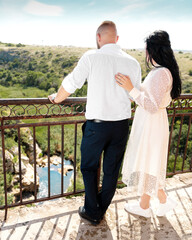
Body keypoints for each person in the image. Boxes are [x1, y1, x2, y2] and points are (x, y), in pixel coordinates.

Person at [48, 21, 141, 225]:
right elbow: (135, 96)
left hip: (96, 127)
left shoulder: (91, 56)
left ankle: (92, 210)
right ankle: (100, 208)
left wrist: (57, 99)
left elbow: (71, 83)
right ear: (117, 39)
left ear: (98, 37)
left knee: (89, 168)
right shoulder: (133, 62)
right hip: (120, 126)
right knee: (111, 170)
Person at [115, 30, 182, 218]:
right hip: (152, 123)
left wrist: (131, 89)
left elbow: (152, 105)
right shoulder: (161, 71)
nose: (146, 54)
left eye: (146, 50)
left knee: (148, 163)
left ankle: (147, 206)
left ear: (153, 50)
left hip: (152, 123)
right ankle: (160, 201)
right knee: (149, 162)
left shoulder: (161, 73)